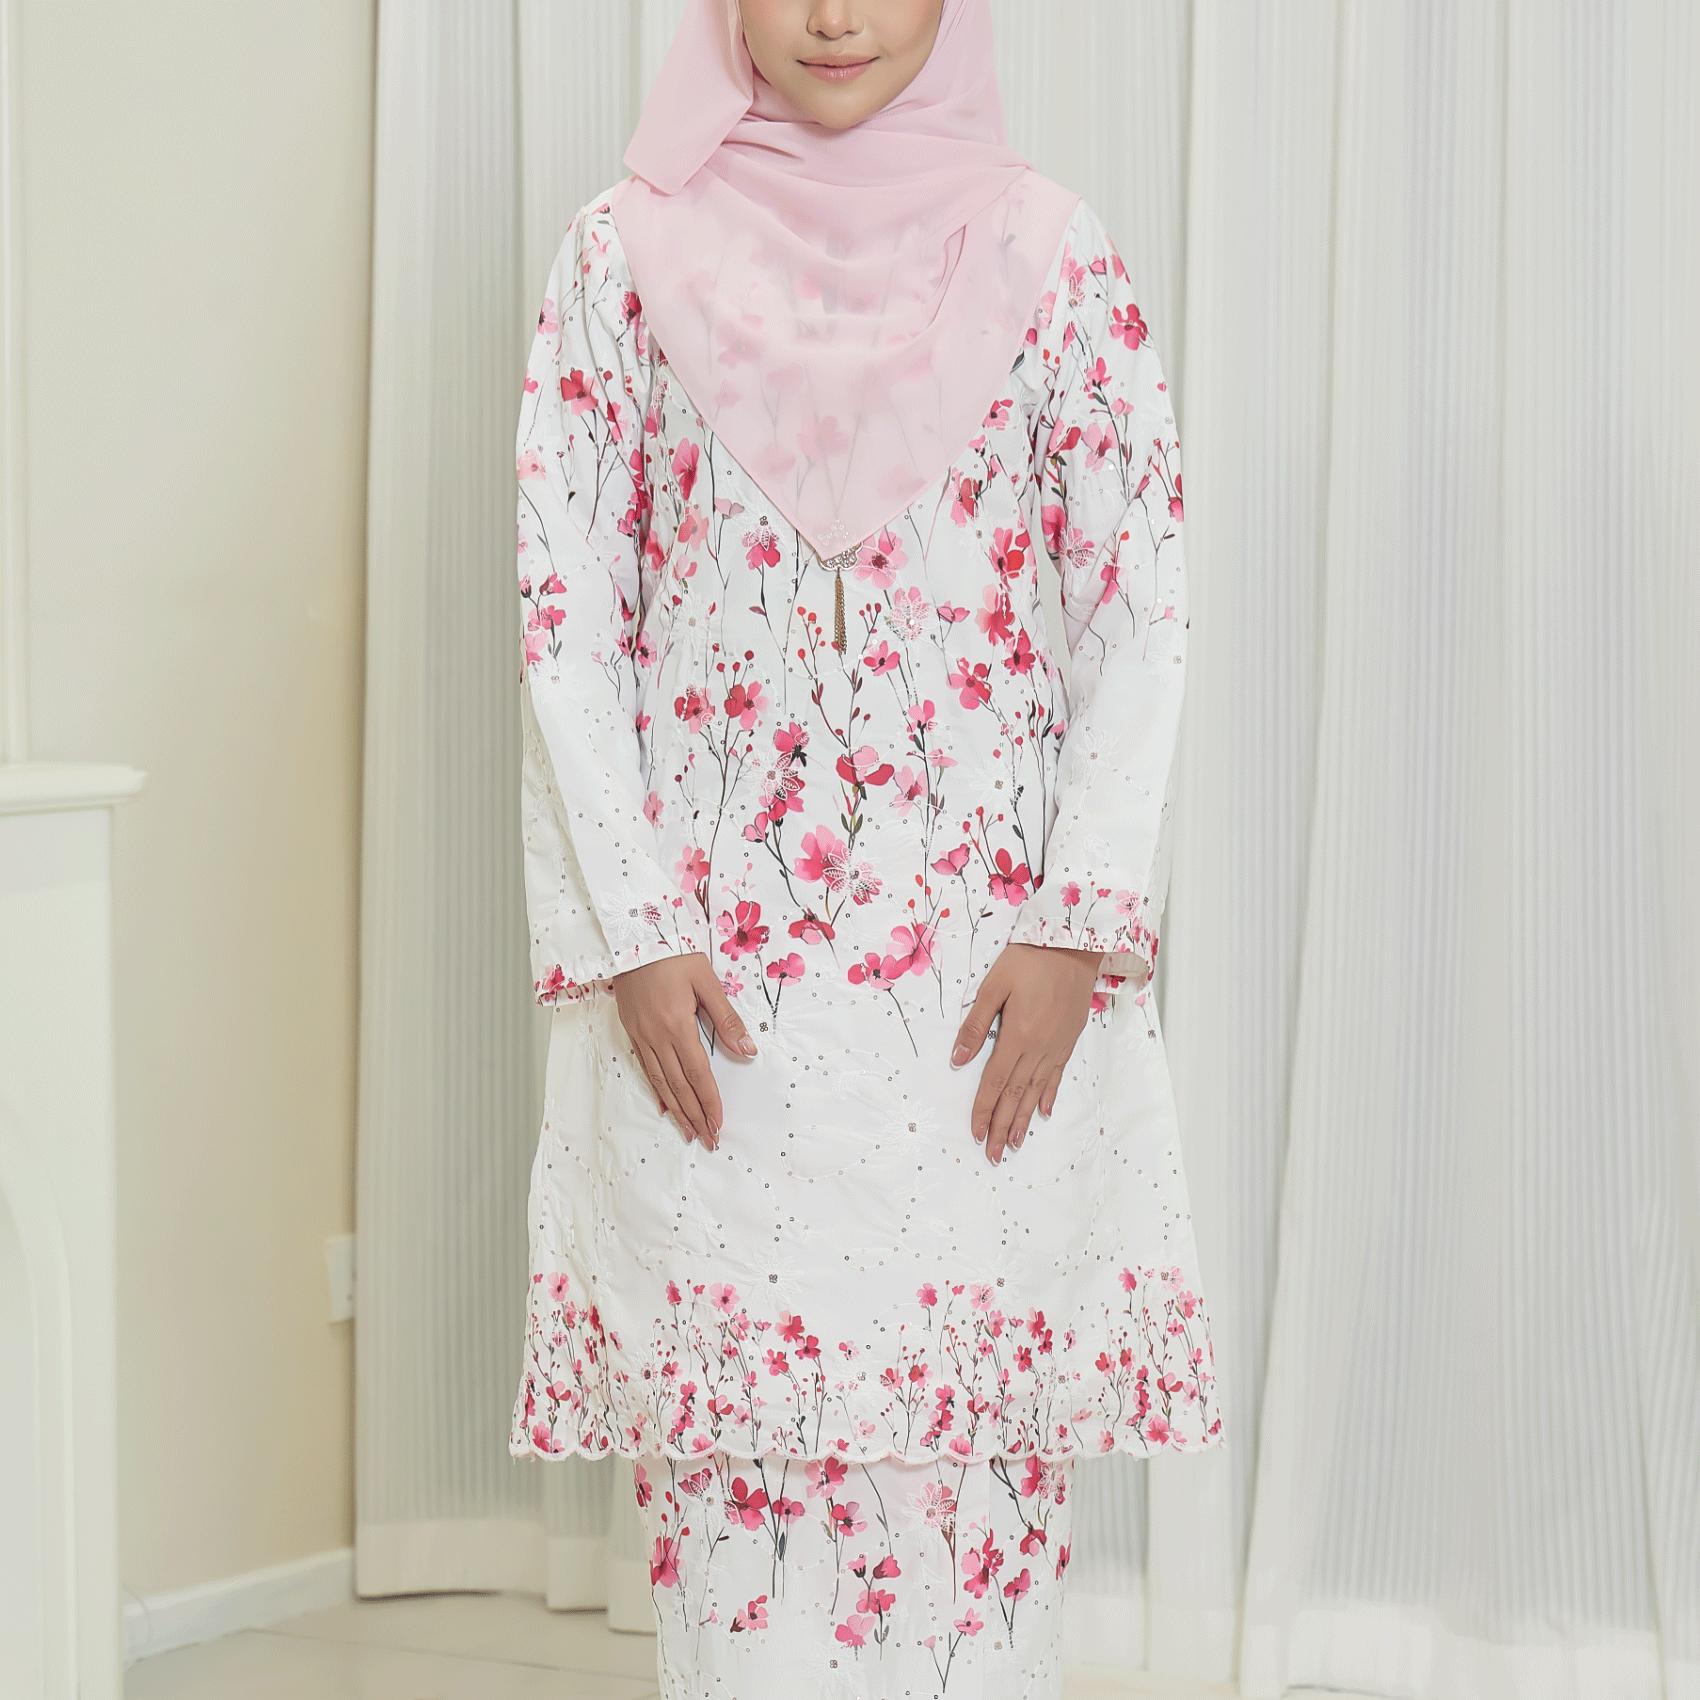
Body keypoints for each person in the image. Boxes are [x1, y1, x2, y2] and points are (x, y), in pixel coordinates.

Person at [508, 1, 1225, 1692]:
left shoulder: (1050, 261)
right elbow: (566, 616)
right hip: (717, 997)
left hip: (981, 994)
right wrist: (632, 928)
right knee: (738, 1484)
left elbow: (1139, 609)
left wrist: (1079, 924)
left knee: (966, 1478)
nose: (835, 17)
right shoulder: (619, 262)